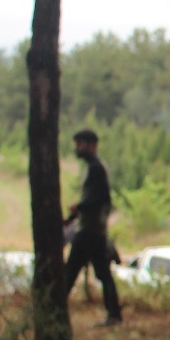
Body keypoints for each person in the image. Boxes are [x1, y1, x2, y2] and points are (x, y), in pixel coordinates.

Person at [63, 128, 123, 327]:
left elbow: (101, 199)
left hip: (90, 231)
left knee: (70, 272)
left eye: (80, 144)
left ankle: (54, 311)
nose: (77, 148)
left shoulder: (96, 168)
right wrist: (71, 218)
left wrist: (78, 208)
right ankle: (114, 314)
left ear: (91, 145)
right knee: (102, 274)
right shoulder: (92, 168)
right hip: (92, 230)